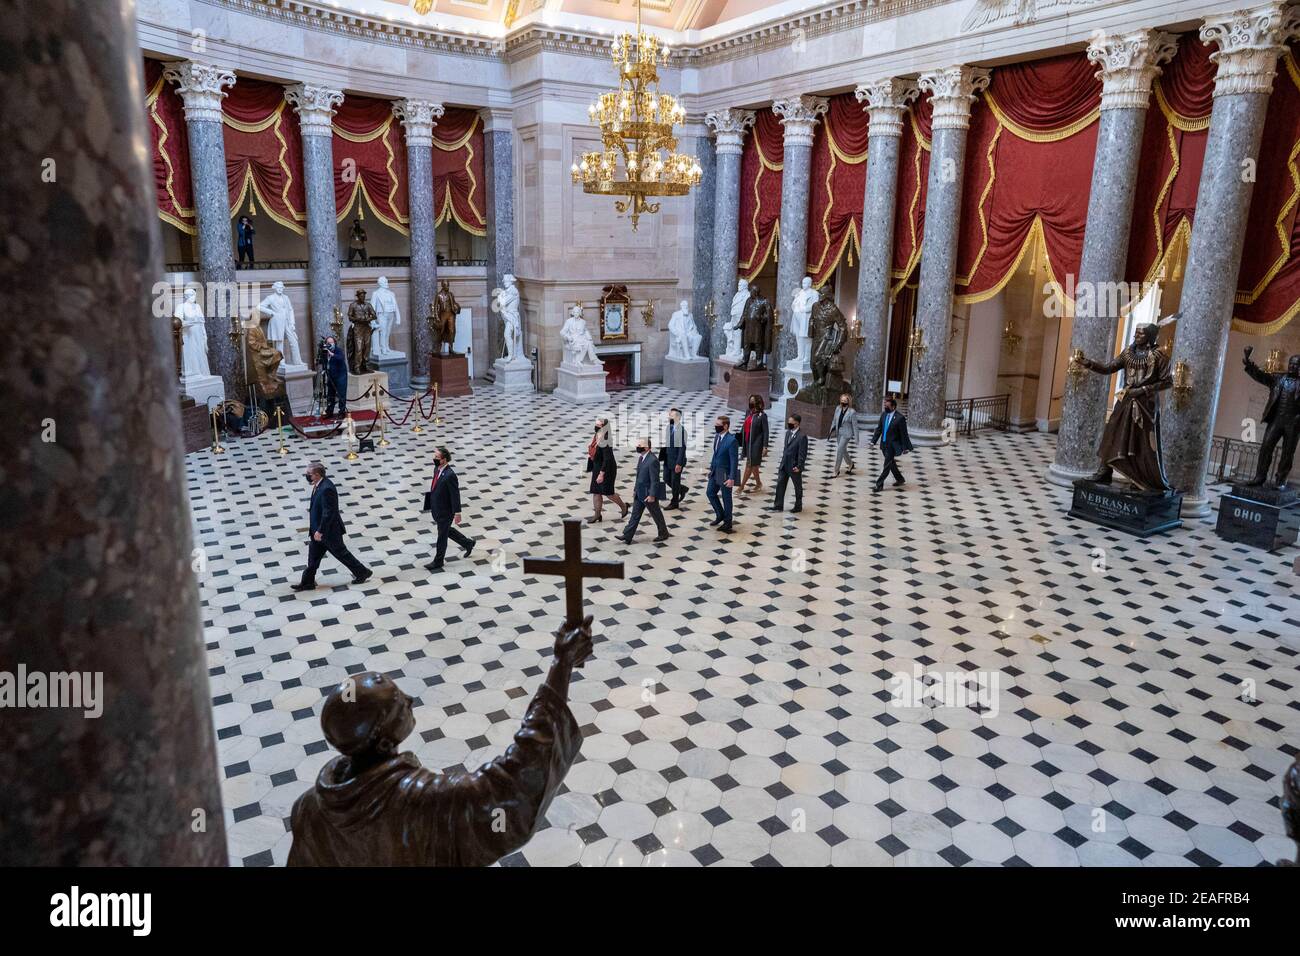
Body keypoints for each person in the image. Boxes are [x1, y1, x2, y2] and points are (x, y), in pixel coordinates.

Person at [287, 618, 589, 867]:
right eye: (399, 704)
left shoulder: (309, 809)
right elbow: (516, 781)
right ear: (382, 743)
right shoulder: (426, 802)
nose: (410, 699)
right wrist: (561, 666)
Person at [292, 462, 372, 591]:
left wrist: (320, 531)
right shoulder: (318, 485)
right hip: (317, 531)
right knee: (313, 558)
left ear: (317, 475)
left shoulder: (326, 488)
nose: (307, 476)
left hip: (328, 532)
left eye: (309, 474)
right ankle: (307, 582)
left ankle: (362, 572)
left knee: (342, 554)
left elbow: (328, 513)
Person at [1241, 347, 1300, 489]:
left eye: (1296, 365)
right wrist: (1249, 364)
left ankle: (1280, 481)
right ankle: (1259, 477)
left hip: (1293, 423)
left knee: (1287, 453)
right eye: (1291, 363)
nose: (1292, 366)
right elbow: (1261, 376)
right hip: (1276, 420)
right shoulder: (1278, 378)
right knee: (1266, 447)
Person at [426, 446, 475, 573]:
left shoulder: (450, 475)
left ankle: (438, 560)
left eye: (437, 457)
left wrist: (457, 513)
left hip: (445, 511)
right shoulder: (437, 469)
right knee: (446, 531)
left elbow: (455, 495)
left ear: (444, 459)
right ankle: (467, 543)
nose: (434, 459)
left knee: (442, 536)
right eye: (434, 456)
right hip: (437, 508)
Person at [619, 437, 669, 545]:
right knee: (635, 515)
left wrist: (652, 495)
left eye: (640, 445)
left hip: (648, 494)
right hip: (639, 492)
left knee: (656, 514)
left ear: (647, 447)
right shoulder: (641, 458)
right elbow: (638, 476)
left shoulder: (653, 460)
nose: (637, 447)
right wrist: (635, 489)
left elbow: (655, 480)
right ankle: (627, 536)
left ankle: (663, 533)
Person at [586, 418, 628, 524]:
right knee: (596, 492)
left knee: (608, 493)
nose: (596, 426)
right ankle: (597, 514)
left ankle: (623, 506)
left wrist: (601, 474)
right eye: (596, 424)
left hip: (607, 469)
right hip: (597, 467)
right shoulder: (597, 435)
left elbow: (607, 458)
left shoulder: (606, 439)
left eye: (598, 425)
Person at [870, 396, 913, 492]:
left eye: (887, 406)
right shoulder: (884, 415)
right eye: (885, 405)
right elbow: (879, 429)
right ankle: (900, 479)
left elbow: (903, 434)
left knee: (887, 465)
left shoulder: (900, 418)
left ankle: (879, 484)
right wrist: (873, 441)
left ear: (893, 407)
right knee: (891, 463)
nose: (885, 407)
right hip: (884, 444)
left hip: (892, 446)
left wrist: (905, 447)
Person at [706, 414, 739, 533]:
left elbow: (734, 461)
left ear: (725, 426)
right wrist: (711, 469)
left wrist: (731, 478)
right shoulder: (717, 436)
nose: (715, 427)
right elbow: (715, 454)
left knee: (726, 498)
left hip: (725, 473)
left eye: (718, 425)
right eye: (715, 425)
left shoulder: (732, 441)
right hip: (715, 471)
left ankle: (728, 522)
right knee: (710, 493)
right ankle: (720, 514)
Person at [773, 413, 809, 513]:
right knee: (780, 484)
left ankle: (798, 506)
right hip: (784, 464)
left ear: (797, 424)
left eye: (790, 423)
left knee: (797, 486)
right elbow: (786, 449)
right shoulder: (788, 433)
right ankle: (778, 505)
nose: (788, 424)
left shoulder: (802, 437)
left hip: (794, 466)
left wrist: (799, 466)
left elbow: (803, 453)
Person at [739, 393, 769, 494]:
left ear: (758, 403)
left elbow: (766, 431)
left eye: (753, 402)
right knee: (754, 465)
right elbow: (744, 426)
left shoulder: (762, 416)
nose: (751, 404)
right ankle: (759, 483)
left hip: (757, 444)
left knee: (750, 464)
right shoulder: (748, 412)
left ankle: (741, 486)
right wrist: (738, 439)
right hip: (747, 442)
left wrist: (765, 446)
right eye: (750, 402)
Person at [662, 407, 688, 509]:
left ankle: (674, 502)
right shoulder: (669, 427)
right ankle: (682, 489)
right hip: (668, 459)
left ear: (678, 417)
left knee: (674, 481)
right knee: (666, 478)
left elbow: (682, 449)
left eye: (671, 416)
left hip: (677, 461)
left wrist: (679, 463)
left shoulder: (682, 431)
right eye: (669, 415)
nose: (669, 417)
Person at [829, 391, 859, 477]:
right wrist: (831, 429)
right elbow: (834, 420)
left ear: (848, 402)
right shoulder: (838, 408)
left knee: (839, 450)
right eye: (842, 400)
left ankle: (836, 471)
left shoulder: (852, 412)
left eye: (845, 401)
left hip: (847, 434)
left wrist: (857, 439)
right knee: (843, 450)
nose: (843, 402)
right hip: (839, 433)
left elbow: (855, 426)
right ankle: (850, 464)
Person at [322, 335, 348, 418]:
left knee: (341, 394)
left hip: (341, 375)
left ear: (334, 343)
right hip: (331, 376)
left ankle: (341, 412)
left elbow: (341, 358)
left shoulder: (338, 350)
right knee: (330, 394)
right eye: (328, 343)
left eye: (331, 342)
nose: (329, 344)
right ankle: (329, 411)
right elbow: (323, 362)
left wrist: (332, 354)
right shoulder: (325, 352)